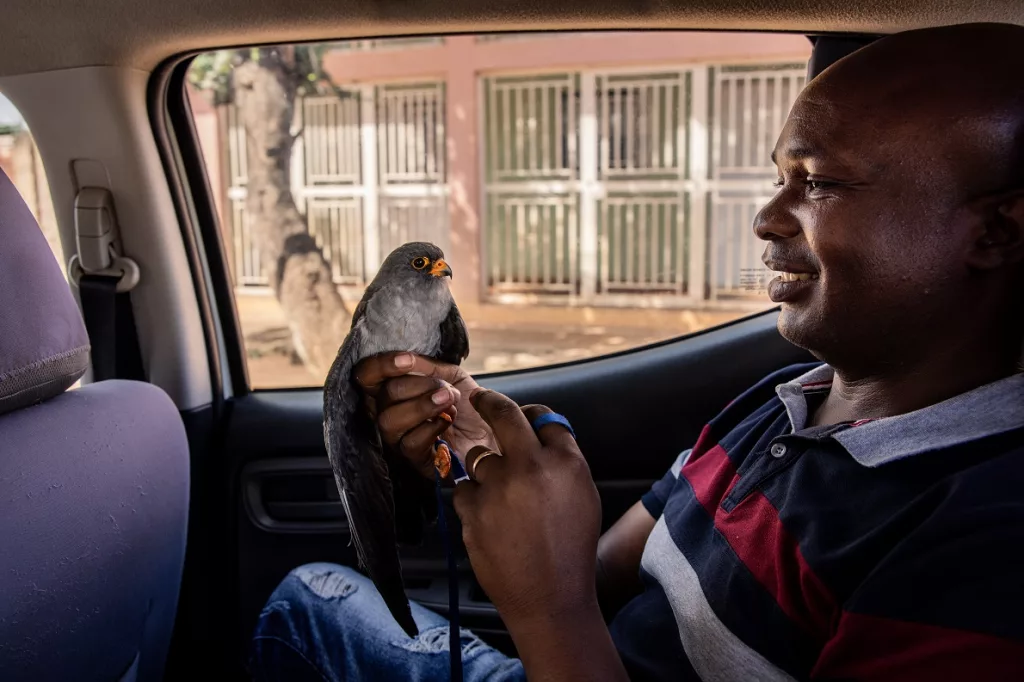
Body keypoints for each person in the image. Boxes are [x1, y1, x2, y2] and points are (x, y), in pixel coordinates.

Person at [249, 22, 1024, 681]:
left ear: (996, 232)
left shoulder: (987, 547)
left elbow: (565, 603)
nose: (766, 217)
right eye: (780, 178)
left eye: (818, 184)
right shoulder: (779, 404)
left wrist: (550, 610)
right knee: (309, 596)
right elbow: (598, 578)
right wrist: (491, 457)